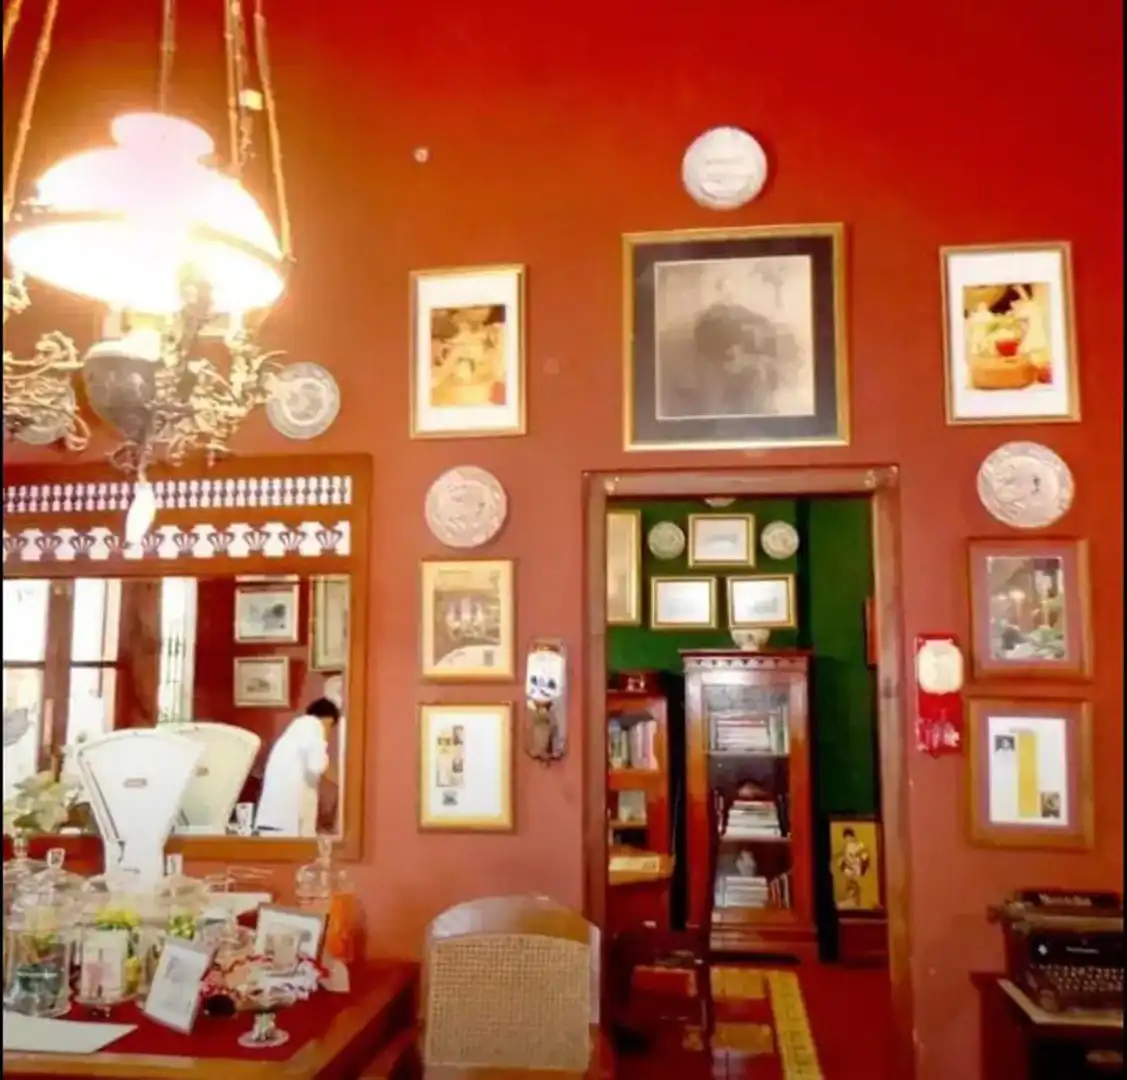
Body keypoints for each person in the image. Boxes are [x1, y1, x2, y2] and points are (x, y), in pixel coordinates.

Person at [255, 698, 340, 836]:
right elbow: (317, 765)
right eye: (330, 727)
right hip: (288, 822)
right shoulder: (313, 725)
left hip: (275, 819)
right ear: (328, 719)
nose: (329, 733)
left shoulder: (295, 732)